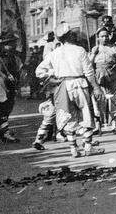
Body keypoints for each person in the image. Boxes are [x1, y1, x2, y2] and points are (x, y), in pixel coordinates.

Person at [36, 26, 102, 158]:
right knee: (86, 114)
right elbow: (89, 72)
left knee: (68, 115)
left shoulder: (54, 53)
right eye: (72, 34)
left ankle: (74, 149)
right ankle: (88, 147)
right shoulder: (80, 50)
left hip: (63, 86)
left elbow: (39, 71)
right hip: (80, 84)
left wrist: (53, 74)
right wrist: (96, 87)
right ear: (69, 36)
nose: (75, 36)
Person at [90, 28, 116, 132]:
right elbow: (89, 64)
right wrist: (93, 54)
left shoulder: (115, 48)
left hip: (111, 74)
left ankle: (114, 124)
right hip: (98, 75)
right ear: (98, 38)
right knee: (99, 100)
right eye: (102, 36)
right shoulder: (95, 49)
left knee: (113, 99)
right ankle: (99, 125)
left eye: (106, 36)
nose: (105, 38)